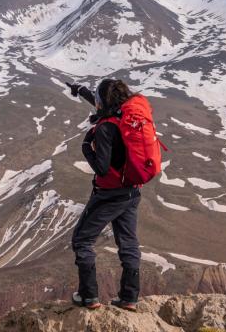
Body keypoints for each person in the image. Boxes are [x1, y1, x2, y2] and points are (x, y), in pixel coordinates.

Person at [66, 79, 141, 311]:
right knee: (128, 243)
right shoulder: (127, 117)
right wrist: (82, 91)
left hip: (109, 195)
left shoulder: (106, 128)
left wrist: (86, 147)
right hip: (131, 191)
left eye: (97, 99)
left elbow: (102, 168)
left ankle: (89, 296)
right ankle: (129, 298)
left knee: (82, 240)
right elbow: (104, 107)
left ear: (104, 102)